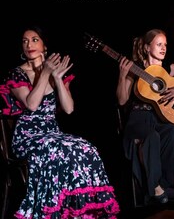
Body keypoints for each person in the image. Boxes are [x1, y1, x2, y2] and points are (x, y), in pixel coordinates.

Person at [0, 25, 120, 218]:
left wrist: (56, 77)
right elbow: (31, 104)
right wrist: (45, 73)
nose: (29, 44)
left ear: (45, 45)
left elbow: (69, 108)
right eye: (25, 41)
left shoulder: (55, 73)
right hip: (28, 137)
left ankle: (80, 212)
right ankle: (51, 211)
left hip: (53, 134)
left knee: (86, 148)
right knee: (56, 149)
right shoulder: (17, 74)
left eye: (34, 39)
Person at [116, 28, 174, 204]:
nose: (163, 48)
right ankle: (156, 188)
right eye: (159, 44)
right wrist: (122, 75)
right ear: (146, 47)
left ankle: (159, 185)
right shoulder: (135, 69)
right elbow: (121, 101)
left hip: (160, 119)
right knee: (151, 137)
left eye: (165, 45)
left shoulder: (170, 69)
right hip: (138, 119)